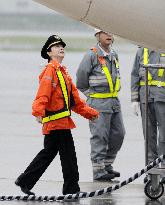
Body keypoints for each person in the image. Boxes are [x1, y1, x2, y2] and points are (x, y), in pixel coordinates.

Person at [15, 35, 99, 196]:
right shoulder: (50, 71)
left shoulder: (62, 72)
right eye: (56, 46)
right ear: (49, 52)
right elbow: (42, 94)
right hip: (56, 122)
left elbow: (74, 101)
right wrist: (38, 112)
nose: (61, 48)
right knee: (69, 157)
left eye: (62, 46)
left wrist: (90, 113)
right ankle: (71, 189)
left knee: (48, 153)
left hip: (61, 122)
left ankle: (25, 180)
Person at [76, 29, 125, 181]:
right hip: (98, 103)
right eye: (105, 33)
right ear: (98, 36)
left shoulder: (113, 54)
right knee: (100, 136)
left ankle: (107, 165)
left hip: (113, 102)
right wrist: (92, 97)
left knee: (118, 134)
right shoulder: (91, 55)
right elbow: (81, 81)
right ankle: (98, 171)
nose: (109, 35)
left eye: (111, 32)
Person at [131, 46, 165, 183]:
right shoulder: (142, 51)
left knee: (164, 135)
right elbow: (134, 75)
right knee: (149, 135)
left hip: (162, 97)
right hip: (146, 97)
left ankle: (163, 169)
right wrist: (134, 99)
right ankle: (151, 170)